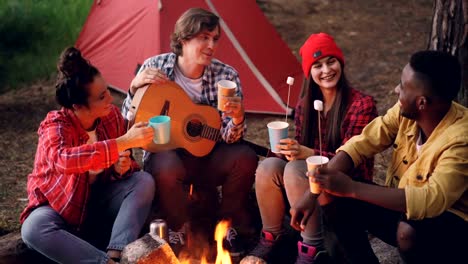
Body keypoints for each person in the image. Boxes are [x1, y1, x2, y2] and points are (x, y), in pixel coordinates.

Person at [291, 50, 468, 264]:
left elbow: (430, 200)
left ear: (422, 102)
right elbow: (363, 142)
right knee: (332, 192)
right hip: (404, 209)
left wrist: (352, 189)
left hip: (452, 227)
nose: (396, 90)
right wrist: (313, 194)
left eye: (403, 86)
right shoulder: (407, 112)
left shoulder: (461, 140)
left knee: (408, 232)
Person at [121, 8, 258, 256]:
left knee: (245, 157)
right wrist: (132, 89)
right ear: (184, 39)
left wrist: (237, 118)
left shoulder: (226, 76)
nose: (211, 45)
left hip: (207, 155)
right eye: (203, 38)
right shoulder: (156, 67)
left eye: (215, 39)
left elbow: (228, 138)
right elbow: (126, 120)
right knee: (166, 163)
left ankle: (226, 225)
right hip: (167, 157)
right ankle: (177, 228)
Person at [241, 33, 378, 264]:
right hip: (308, 189)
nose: (326, 70)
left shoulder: (361, 105)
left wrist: (308, 154)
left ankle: (312, 250)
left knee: (295, 169)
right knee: (269, 167)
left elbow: (353, 160)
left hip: (348, 185)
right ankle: (271, 237)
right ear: (309, 72)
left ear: (340, 63)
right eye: (317, 65)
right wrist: (284, 149)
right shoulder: (304, 106)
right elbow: (292, 156)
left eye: (331, 61)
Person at [20, 47, 156, 264]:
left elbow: (125, 163)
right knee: (33, 228)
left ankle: (119, 254)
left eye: (108, 91)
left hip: (99, 202)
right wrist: (125, 141)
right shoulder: (55, 126)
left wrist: (121, 168)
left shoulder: (110, 117)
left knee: (143, 181)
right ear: (78, 107)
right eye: (102, 96)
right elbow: (65, 160)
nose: (111, 99)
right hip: (60, 208)